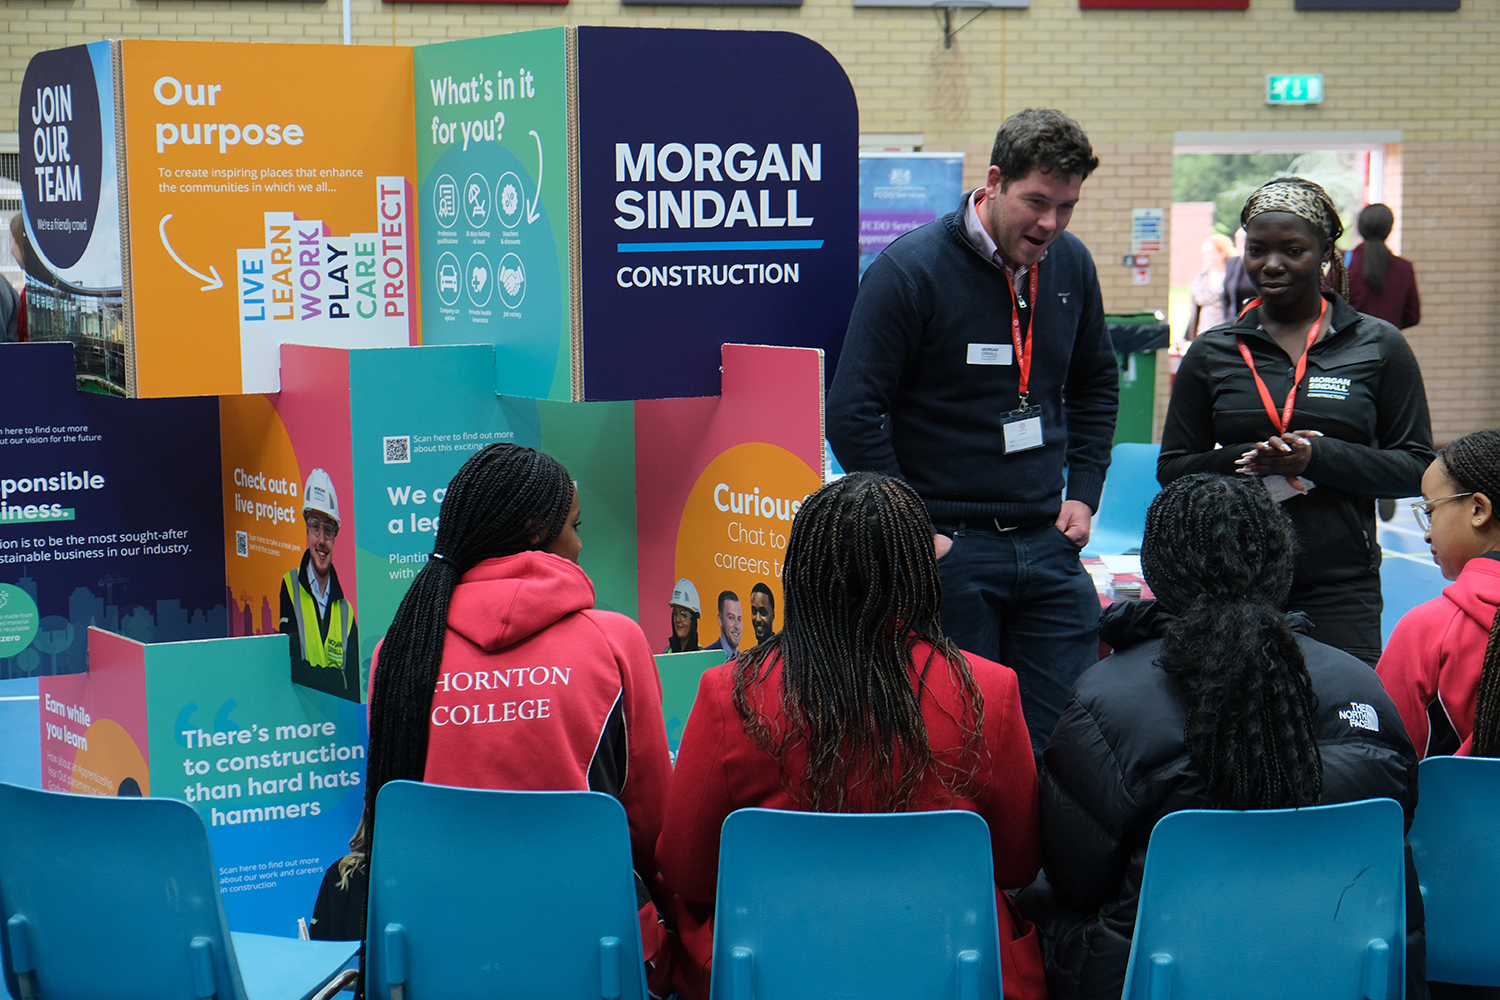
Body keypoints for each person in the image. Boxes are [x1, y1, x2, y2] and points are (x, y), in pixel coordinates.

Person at [1019, 473, 1424, 1000]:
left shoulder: (1107, 698)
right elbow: (1396, 826)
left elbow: (1076, 879)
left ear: (1156, 569)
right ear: (1282, 562)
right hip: (1346, 969)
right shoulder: (1363, 685)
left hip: (1161, 978)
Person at [658, 473, 1045, 1000]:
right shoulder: (990, 691)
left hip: (773, 976)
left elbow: (686, 871)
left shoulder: (729, 692)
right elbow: (1019, 863)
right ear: (921, 571)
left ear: (799, 571)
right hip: (947, 974)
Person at [826, 108, 1117, 757]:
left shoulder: (1070, 266)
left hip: (1046, 541)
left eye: (1066, 206)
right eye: (1036, 202)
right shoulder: (911, 270)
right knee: (958, 747)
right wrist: (913, 531)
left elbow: (1096, 382)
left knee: (1065, 746)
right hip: (947, 548)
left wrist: (1085, 490)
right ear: (994, 181)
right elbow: (851, 411)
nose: (1050, 223)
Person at [356, 444, 673, 987]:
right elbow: (652, 832)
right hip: (593, 964)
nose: (580, 543)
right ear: (536, 530)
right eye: (574, 526)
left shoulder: (400, 655)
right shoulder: (616, 644)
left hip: (434, 968)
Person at [1158, 176, 1433, 665]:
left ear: (1326, 254)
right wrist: (1247, 459)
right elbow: (1173, 468)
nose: (1271, 264)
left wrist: (1316, 457)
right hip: (1227, 584)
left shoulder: (1379, 345)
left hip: (1339, 585)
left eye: (1292, 250)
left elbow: (1416, 467)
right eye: (1257, 250)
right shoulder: (1213, 351)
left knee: (1341, 713)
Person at [1378, 428, 1500, 758]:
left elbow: (1388, 759)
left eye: (1430, 511)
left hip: (1460, 795)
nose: (1427, 534)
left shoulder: (1427, 631)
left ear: (1479, 510)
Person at [280, 468, 361, 701]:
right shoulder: (290, 587)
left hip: (336, 720)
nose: (322, 540)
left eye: (328, 530)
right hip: (300, 716)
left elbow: (355, 688)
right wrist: (338, 679)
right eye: (315, 527)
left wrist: (326, 679)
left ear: (336, 535)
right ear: (307, 529)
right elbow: (294, 670)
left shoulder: (345, 612)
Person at [1348, 203, 1421, 330]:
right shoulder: (1405, 268)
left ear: (1360, 227)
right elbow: (1412, 316)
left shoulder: (1345, 263)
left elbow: (1325, 304)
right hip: (1388, 341)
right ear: (1389, 229)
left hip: (1351, 339)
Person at [1182, 233, 1235, 341]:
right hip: (1204, 331)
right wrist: (1185, 337)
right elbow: (1194, 310)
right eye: (1204, 253)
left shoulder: (1233, 276)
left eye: (1210, 253)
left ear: (1223, 252)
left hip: (1226, 332)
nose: (1205, 257)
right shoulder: (1201, 277)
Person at [702, 590, 742, 659]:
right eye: (731, 618)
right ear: (720, 619)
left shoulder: (745, 661)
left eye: (739, 619)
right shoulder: (706, 657)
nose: (737, 626)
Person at [665, 578, 701, 653]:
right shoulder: (667, 652)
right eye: (675, 613)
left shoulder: (702, 655)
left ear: (693, 620)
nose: (678, 619)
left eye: (684, 615)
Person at [747, 581, 776, 647]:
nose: (758, 619)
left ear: (772, 616)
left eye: (763, 613)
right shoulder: (752, 653)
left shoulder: (781, 651)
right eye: (754, 612)